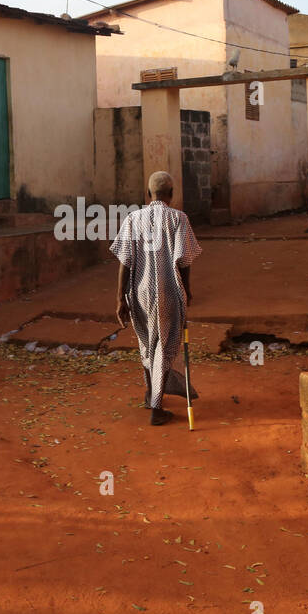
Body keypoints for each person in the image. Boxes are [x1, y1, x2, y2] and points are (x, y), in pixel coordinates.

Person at [110, 171, 201, 425]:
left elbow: (124, 262)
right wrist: (188, 289)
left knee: (147, 343)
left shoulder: (133, 219)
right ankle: (157, 409)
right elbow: (184, 261)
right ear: (172, 194)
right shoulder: (178, 218)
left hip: (139, 292)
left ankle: (152, 392)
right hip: (168, 291)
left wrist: (120, 298)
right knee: (163, 347)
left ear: (148, 194)